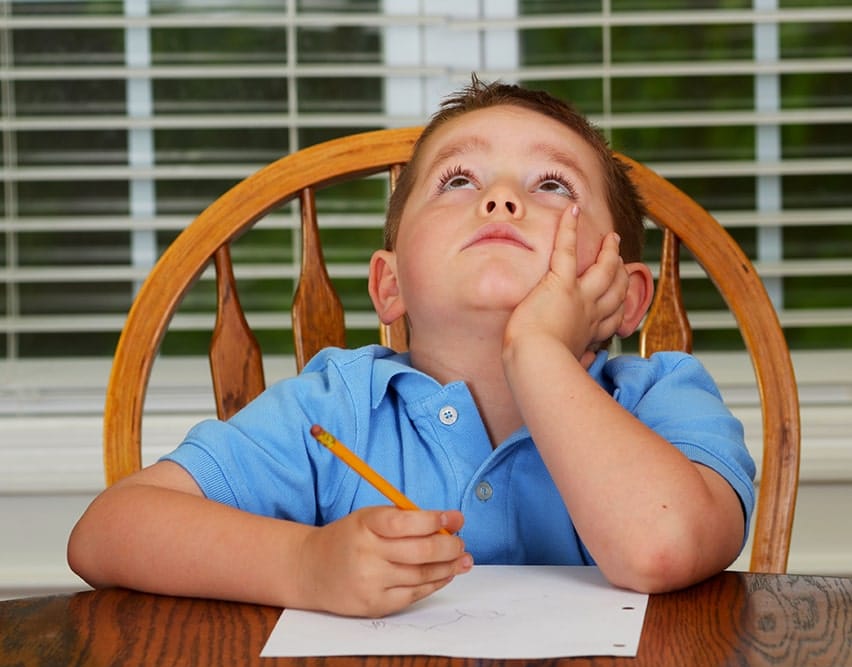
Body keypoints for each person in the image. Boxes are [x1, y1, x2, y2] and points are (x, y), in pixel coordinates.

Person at [68, 76, 755, 618]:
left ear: (628, 297)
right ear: (390, 286)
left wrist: (538, 350)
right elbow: (106, 532)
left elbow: (662, 545)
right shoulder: (337, 406)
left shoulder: (664, 397)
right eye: (459, 180)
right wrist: (306, 565)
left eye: (552, 185)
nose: (501, 200)